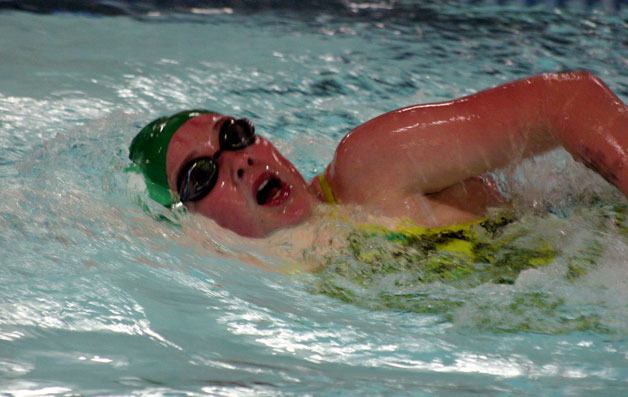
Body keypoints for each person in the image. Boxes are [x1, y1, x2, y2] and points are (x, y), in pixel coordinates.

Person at [129, 71, 627, 238]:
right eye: (200, 176)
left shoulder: (371, 167)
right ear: (188, 222)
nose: (238, 161)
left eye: (235, 134)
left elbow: (564, 98)